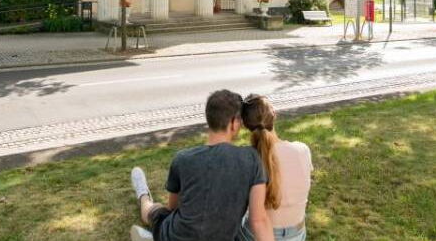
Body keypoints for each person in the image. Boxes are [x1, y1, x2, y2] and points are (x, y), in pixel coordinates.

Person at [130, 89, 274, 241]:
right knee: (159, 212)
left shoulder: (182, 158)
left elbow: (172, 208)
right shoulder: (252, 159)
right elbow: (259, 221)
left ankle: (143, 197)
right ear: (234, 123)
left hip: (174, 235)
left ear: (209, 119)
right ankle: (143, 194)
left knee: (155, 210)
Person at [239, 95, 311, 241]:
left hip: (258, 235)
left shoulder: (245, 158)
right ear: (274, 115)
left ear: (244, 124)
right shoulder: (302, 150)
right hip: (297, 234)